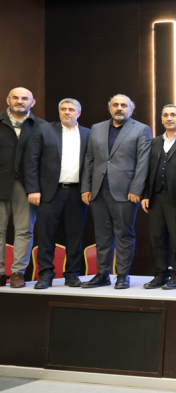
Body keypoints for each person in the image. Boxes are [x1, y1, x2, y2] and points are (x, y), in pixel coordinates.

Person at [81, 94, 151, 289]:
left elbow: (143, 161)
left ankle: (122, 275)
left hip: (126, 192)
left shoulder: (141, 129)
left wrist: (136, 188)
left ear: (131, 109)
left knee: (124, 235)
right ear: (110, 108)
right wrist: (86, 187)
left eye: (124, 105)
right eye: (115, 105)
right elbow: (89, 158)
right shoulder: (97, 128)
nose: (119, 108)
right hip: (97, 191)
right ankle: (102, 274)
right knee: (102, 235)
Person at [23, 99, 89, 289]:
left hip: (77, 193)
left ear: (78, 113)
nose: (67, 112)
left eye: (71, 109)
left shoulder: (88, 134)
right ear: (59, 112)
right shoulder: (44, 129)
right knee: (46, 236)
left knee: (75, 236)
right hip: (48, 193)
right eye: (63, 109)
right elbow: (31, 160)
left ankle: (72, 275)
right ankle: (45, 275)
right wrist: (33, 189)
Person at [140, 105, 176, 290]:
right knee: (157, 237)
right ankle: (160, 274)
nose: (169, 118)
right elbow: (148, 170)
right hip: (156, 197)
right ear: (161, 119)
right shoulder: (154, 142)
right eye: (165, 115)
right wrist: (146, 195)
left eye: (173, 114)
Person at [0, 87, 45, 288]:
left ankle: (18, 272)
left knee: (24, 230)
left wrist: (37, 187)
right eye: (16, 98)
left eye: (25, 98)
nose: (20, 101)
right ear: (8, 100)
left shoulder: (41, 126)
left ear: (32, 102)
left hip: (27, 186)